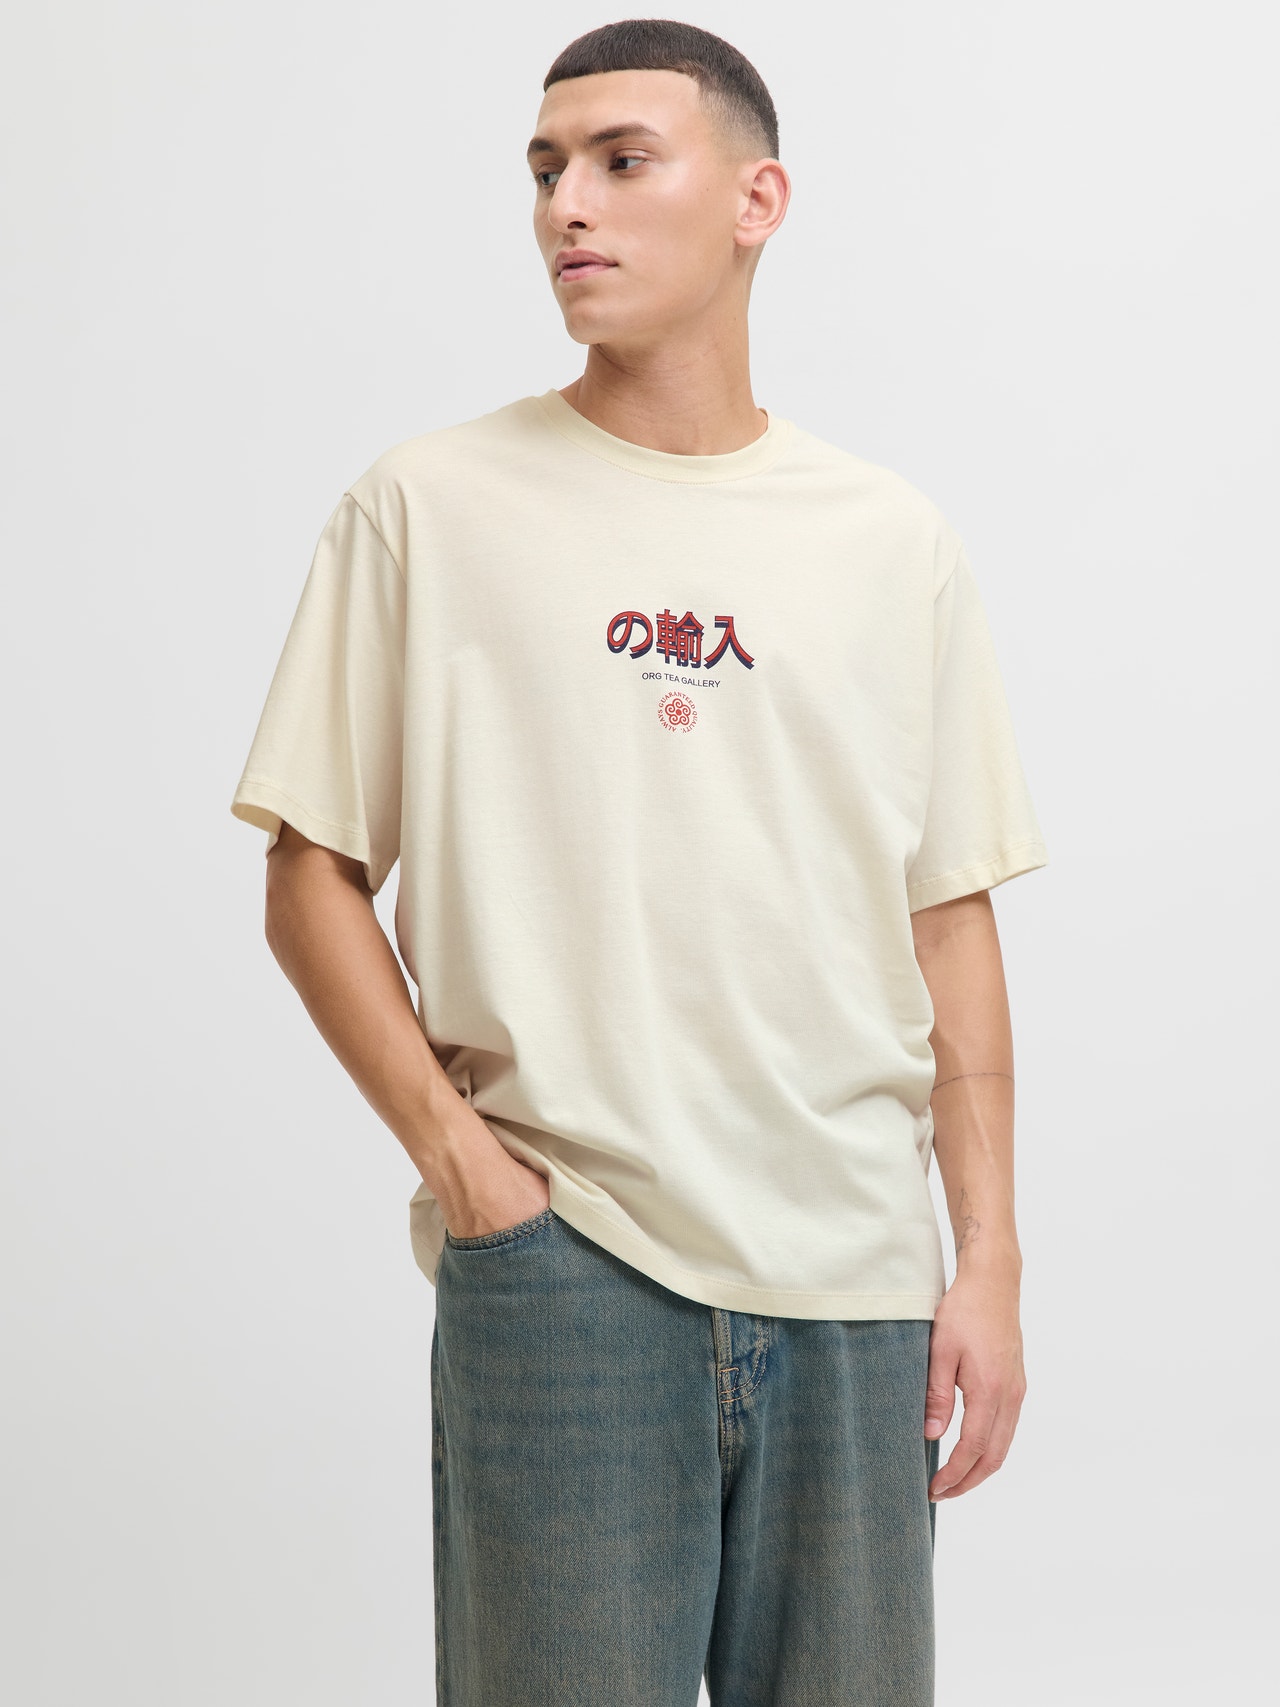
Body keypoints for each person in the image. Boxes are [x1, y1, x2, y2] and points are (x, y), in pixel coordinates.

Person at [229, 18, 1048, 1706]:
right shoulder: (428, 506)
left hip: (856, 1287)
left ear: (758, 201)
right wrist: (475, 1184)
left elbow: (948, 919)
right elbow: (312, 873)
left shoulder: (889, 542)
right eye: (545, 170)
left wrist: (988, 1261)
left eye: (620, 161)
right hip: (570, 1270)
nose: (566, 208)